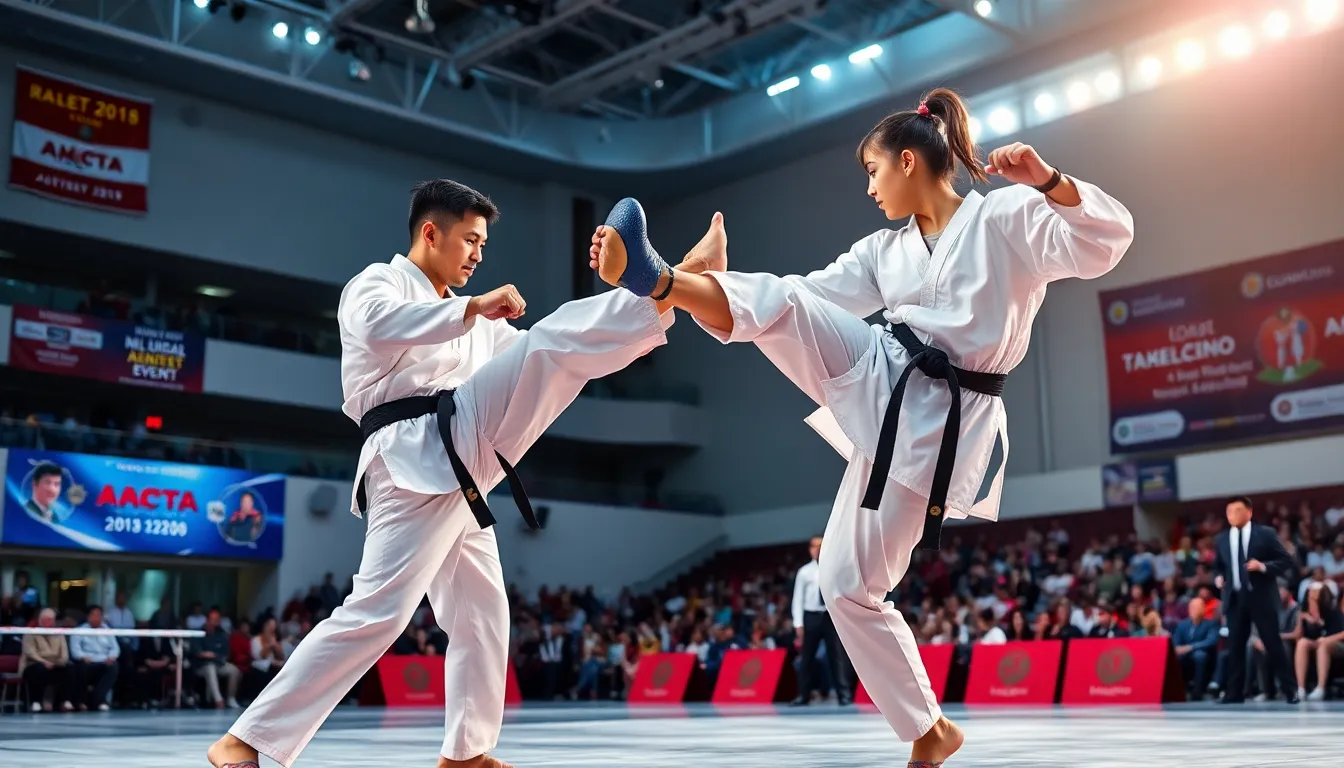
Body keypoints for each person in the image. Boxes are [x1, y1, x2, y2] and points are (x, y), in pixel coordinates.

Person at [590, 88, 1133, 764]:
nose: (870, 188)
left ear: (908, 162)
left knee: (846, 585)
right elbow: (810, 297)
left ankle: (929, 732)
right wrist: (726, 298)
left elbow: (1106, 241)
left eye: (873, 171)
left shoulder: (1005, 217)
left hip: (944, 422)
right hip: (883, 371)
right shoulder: (885, 250)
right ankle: (666, 280)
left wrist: (1049, 182)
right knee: (786, 302)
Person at [209, 179, 675, 768]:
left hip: (461, 464)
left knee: (482, 613)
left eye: (484, 243)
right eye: (471, 240)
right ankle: (246, 740)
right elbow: (380, 326)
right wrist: (471, 308)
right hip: (412, 455)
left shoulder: (476, 321)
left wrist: (627, 305)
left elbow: (546, 351)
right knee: (377, 613)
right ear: (431, 231)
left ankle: (466, 754)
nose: (479, 254)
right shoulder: (376, 284)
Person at [1213, 496, 1300, 704]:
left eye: (1237, 510)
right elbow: (1219, 566)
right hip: (1235, 597)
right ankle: (1235, 693)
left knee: (1273, 644)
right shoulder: (1222, 538)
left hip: (1260, 598)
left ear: (1249, 512)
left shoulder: (1265, 534)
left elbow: (1286, 560)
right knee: (1235, 646)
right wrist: (1218, 577)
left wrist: (1263, 567)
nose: (1232, 515)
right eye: (1229, 511)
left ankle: (1291, 691)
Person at [790, 535, 854, 705]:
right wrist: (798, 623)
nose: (817, 549)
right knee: (807, 656)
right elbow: (798, 598)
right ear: (810, 549)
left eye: (820, 546)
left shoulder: (834, 568)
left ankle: (843, 695)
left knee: (836, 656)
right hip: (811, 615)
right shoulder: (804, 572)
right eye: (813, 546)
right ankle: (803, 695)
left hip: (830, 615)